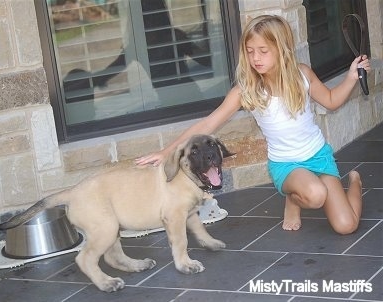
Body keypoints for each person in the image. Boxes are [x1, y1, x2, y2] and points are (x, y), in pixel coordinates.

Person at [135, 15, 370, 235]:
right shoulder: (246, 90)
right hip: (287, 165)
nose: (255, 58)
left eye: (263, 51)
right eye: (250, 52)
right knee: (316, 195)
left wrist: (351, 76)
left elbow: (331, 101)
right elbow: (208, 123)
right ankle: (293, 197)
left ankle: (355, 180)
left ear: (281, 50)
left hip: (319, 157)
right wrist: (166, 152)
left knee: (346, 226)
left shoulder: (302, 75)